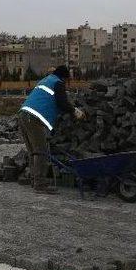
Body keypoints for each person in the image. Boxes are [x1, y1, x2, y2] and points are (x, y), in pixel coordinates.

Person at [18, 65, 85, 194]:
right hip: (33, 118)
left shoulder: (46, 80)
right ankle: (40, 184)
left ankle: (34, 180)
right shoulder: (58, 83)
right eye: (67, 79)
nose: (67, 82)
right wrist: (75, 111)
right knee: (41, 151)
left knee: (34, 152)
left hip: (23, 115)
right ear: (64, 77)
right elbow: (62, 103)